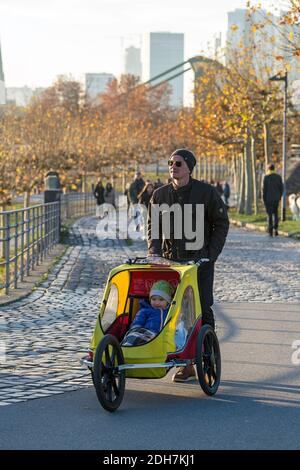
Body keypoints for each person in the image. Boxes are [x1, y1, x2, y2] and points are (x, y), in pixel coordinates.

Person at [147, 148, 229, 382]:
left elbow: (221, 223)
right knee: (173, 311)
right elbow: (152, 226)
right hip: (170, 263)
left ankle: (205, 356)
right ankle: (184, 364)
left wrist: (210, 254)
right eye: (171, 162)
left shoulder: (206, 193)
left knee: (201, 309)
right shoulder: (160, 195)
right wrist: (154, 252)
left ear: (189, 167)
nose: (173, 166)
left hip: (200, 262)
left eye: (179, 163)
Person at [122, 280, 173, 346]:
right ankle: (128, 347)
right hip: (147, 332)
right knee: (134, 336)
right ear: (150, 299)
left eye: (161, 300)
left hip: (162, 337)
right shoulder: (145, 310)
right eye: (154, 299)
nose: (157, 303)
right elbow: (138, 321)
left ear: (168, 301)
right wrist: (135, 329)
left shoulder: (170, 311)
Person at [263, 163, 283, 237]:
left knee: (270, 214)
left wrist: (264, 199)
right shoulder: (278, 177)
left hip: (268, 199)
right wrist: (279, 197)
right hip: (276, 199)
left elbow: (264, 190)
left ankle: (270, 229)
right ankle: (276, 229)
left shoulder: (266, 177)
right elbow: (281, 188)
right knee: (276, 214)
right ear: (274, 169)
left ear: (268, 169)